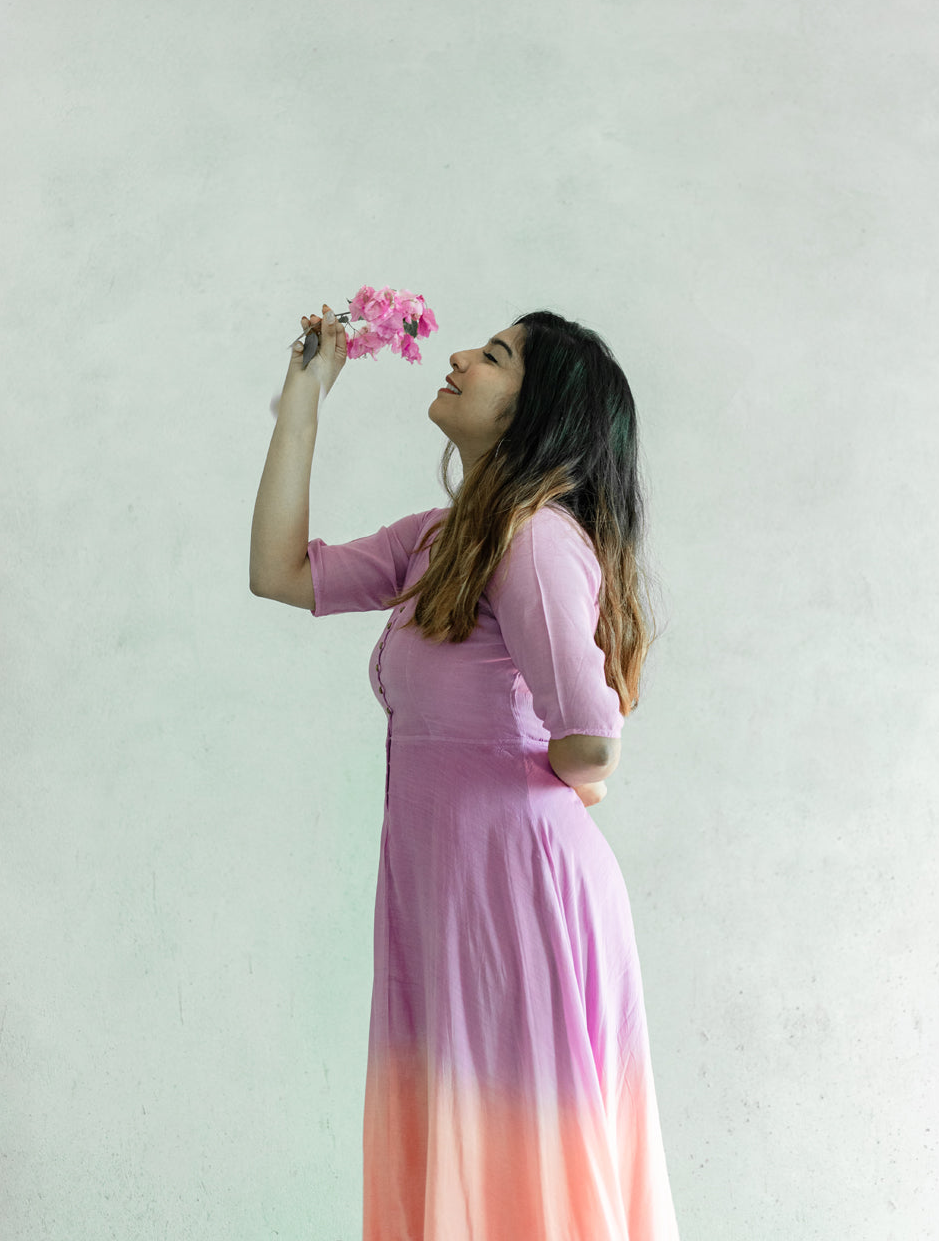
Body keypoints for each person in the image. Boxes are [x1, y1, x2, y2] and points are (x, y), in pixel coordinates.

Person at [250, 303, 681, 1241]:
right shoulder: (437, 540)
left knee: (522, 1172)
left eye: (493, 358)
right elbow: (280, 573)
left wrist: (575, 775)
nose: (458, 359)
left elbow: (593, 735)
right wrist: (304, 401)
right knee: (465, 1157)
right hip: (444, 890)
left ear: (536, 417)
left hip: (512, 897)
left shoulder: (532, 539)